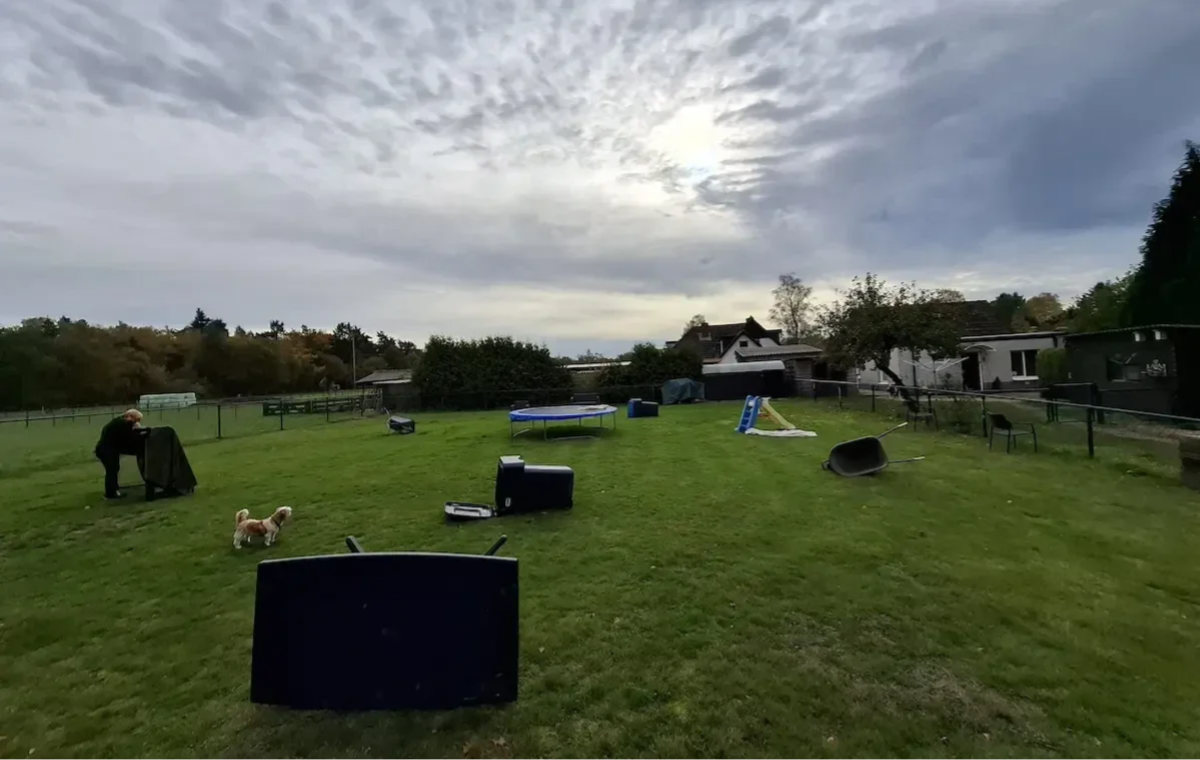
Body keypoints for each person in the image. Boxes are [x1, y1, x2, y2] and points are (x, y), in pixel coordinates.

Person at [94, 409, 144, 499]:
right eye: (136, 420)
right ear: (130, 417)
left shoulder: (118, 421)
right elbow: (130, 438)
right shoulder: (125, 423)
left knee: (113, 469)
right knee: (112, 470)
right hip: (107, 451)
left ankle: (113, 490)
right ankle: (110, 493)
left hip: (104, 450)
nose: (136, 422)